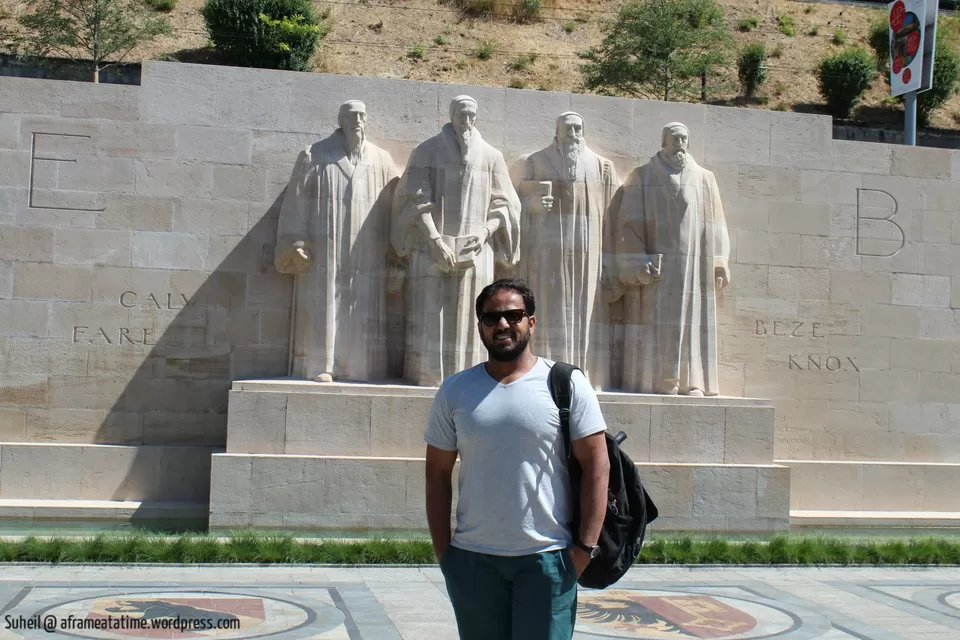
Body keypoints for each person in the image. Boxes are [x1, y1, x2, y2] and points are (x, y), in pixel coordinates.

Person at [424, 279, 611, 640]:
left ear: (532, 322)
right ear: (480, 325)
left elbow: (597, 465)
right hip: (472, 560)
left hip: (548, 559)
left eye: (514, 315)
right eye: (492, 317)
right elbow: (437, 472)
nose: (503, 325)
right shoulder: (455, 390)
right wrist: (445, 553)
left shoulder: (566, 383)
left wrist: (584, 550)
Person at [390, 96, 522, 387]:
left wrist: (484, 233)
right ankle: (427, 378)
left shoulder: (491, 156)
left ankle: (473, 379)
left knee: (475, 313)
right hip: (431, 249)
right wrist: (434, 239)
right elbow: (414, 199)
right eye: (461, 114)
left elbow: (505, 205)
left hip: (477, 251)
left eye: (471, 115)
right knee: (430, 317)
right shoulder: (425, 151)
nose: (466, 120)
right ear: (451, 116)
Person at [275, 100, 400, 383]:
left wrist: (395, 253)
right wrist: (296, 241)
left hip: (368, 249)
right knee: (324, 301)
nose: (358, 120)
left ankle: (361, 366)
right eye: (352, 115)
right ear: (341, 119)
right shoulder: (315, 155)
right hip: (324, 248)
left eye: (362, 115)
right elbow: (296, 202)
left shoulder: (382, 160)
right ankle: (322, 364)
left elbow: (397, 207)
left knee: (363, 301)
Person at [613, 122, 731, 396]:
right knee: (655, 319)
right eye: (675, 138)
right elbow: (628, 222)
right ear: (663, 141)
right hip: (658, 264)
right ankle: (658, 381)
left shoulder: (704, 178)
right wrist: (638, 259)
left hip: (694, 265)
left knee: (692, 320)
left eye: (684, 138)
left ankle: (693, 382)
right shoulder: (643, 175)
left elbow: (716, 224)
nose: (680, 142)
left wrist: (719, 259)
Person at [509, 112, 621, 391]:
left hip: (588, 253)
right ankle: (540, 373)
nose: (572, 133)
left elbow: (616, 215)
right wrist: (532, 204)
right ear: (556, 131)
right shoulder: (535, 161)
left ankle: (584, 377)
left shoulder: (601, 167)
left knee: (587, 311)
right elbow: (513, 203)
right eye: (567, 128)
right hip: (546, 253)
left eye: (577, 128)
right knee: (547, 306)